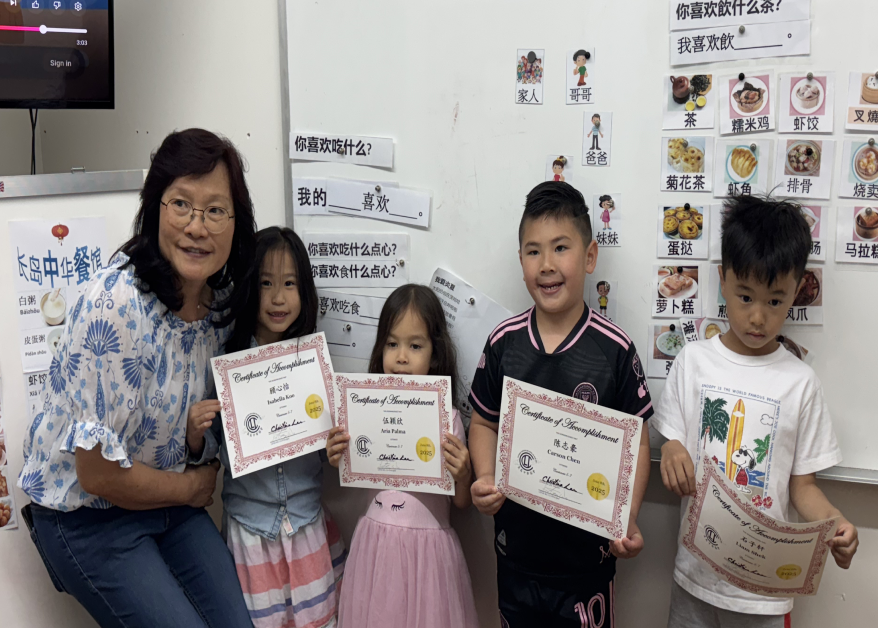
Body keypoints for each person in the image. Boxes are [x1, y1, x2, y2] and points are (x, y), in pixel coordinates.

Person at [17, 129, 257, 628]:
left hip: (166, 499)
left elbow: (190, 425)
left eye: (216, 210)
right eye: (181, 205)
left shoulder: (224, 304)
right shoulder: (116, 303)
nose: (198, 226)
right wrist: (191, 489)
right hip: (87, 517)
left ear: (237, 223)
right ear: (154, 210)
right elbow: (99, 475)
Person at [652, 195, 859, 628]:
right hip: (694, 579)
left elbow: (802, 488)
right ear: (723, 280)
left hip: (764, 595)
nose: (758, 317)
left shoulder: (800, 382)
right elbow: (671, 436)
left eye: (776, 301)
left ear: (797, 291)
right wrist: (671, 448)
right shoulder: (693, 362)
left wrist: (834, 522)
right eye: (745, 297)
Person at [468, 181, 653, 627]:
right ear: (520, 262)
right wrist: (486, 476)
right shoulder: (503, 343)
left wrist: (626, 517)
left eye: (560, 248)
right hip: (516, 560)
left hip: (586, 567)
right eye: (533, 252)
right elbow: (483, 422)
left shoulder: (615, 349)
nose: (546, 265)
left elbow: (639, 444)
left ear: (589, 257)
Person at [189, 227, 346, 628]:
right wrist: (195, 433)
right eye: (266, 284)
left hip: (306, 524)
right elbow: (209, 450)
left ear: (305, 291)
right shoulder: (228, 363)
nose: (278, 298)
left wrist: (335, 448)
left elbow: (328, 447)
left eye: (290, 284)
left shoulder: (315, 362)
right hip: (250, 535)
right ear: (248, 288)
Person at [326, 284, 479, 628]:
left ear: (435, 354)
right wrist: (336, 454)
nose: (401, 357)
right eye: (392, 344)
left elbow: (462, 504)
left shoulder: (448, 418)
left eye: (415, 345)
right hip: (374, 550)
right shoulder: (360, 412)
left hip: (429, 560)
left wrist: (464, 474)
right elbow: (350, 470)